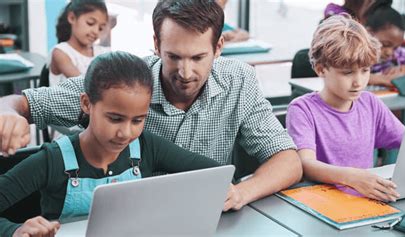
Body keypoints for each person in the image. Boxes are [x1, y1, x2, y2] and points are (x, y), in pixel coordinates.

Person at [0, 0, 302, 212]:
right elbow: (23, 102)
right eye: (174, 57)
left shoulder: (240, 81)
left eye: (198, 58)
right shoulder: (126, 82)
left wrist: (240, 192)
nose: (185, 73)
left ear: (218, 47)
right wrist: (8, 112)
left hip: (208, 221)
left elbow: (288, 160)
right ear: (156, 44)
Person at [0, 51, 222, 237]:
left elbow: (217, 174)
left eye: (138, 120)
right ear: (87, 104)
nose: (125, 133)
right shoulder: (53, 160)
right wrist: (15, 231)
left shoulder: (147, 146)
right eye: (115, 119)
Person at [287, 14, 404, 202]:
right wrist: (351, 177)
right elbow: (305, 164)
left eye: (365, 71)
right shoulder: (302, 109)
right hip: (322, 202)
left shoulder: (370, 103)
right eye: (347, 73)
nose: (358, 82)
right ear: (321, 69)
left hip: (365, 198)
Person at [365, 0, 405, 87]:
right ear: (369, 33)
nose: (390, 52)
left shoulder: (396, 53)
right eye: (385, 44)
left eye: (395, 47)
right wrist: (384, 79)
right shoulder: (357, 54)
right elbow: (348, 76)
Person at [49, 0, 111, 85]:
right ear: (72, 18)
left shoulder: (103, 53)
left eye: (100, 28)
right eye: (90, 23)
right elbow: (83, 85)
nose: (96, 31)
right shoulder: (60, 53)